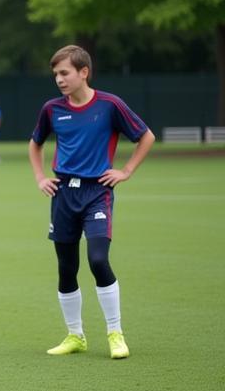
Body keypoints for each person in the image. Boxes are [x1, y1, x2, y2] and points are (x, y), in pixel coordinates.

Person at [28, 45, 154, 360]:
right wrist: (41, 177)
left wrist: (126, 170)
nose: (59, 79)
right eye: (55, 74)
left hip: (97, 192)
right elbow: (35, 143)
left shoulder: (110, 105)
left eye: (65, 72)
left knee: (98, 260)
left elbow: (146, 136)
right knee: (66, 267)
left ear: (84, 72)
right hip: (63, 196)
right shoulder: (52, 109)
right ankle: (75, 335)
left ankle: (115, 333)